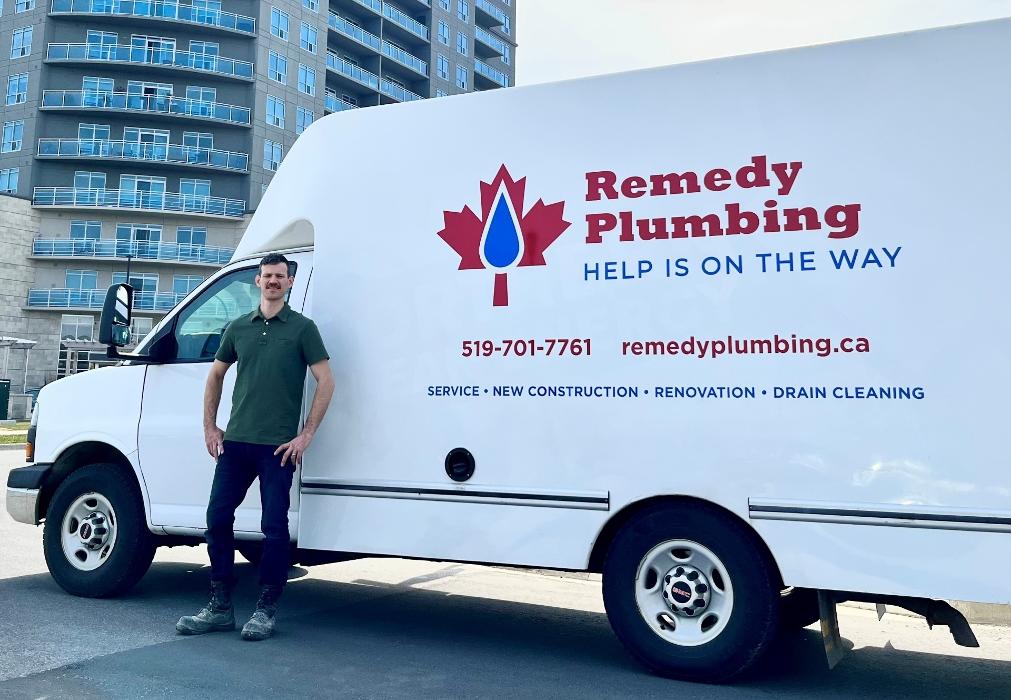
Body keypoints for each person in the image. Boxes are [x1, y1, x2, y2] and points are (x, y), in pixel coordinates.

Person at [176, 253, 334, 641]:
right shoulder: (238, 328)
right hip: (236, 444)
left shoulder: (302, 329)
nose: (273, 281)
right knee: (217, 519)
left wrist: (306, 435)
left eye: (280, 276)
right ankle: (220, 607)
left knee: (274, 529)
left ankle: (266, 609)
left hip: (277, 449)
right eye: (267, 276)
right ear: (258, 281)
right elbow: (215, 375)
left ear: (290, 283)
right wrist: (210, 427)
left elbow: (326, 380)